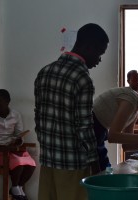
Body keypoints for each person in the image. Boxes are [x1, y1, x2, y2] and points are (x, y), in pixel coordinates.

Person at [34, 23, 109, 200]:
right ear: (88, 47)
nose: (99, 60)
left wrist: (46, 147)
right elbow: (84, 126)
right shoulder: (82, 78)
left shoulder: (45, 71)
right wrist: (95, 164)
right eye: (99, 53)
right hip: (73, 164)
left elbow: (38, 117)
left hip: (48, 160)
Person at [0, 89, 36, 200]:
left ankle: (17, 187)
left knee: (31, 163)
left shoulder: (16, 115)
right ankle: (15, 189)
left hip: (10, 149)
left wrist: (18, 140)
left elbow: (19, 134)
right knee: (18, 163)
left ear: (8, 102)